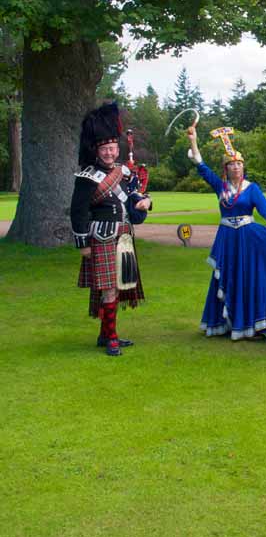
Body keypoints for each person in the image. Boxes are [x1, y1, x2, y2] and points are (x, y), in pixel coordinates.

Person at [187, 123, 266, 341]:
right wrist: (193, 140)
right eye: (231, 164)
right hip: (227, 239)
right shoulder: (221, 187)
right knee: (227, 278)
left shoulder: (251, 188)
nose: (235, 167)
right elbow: (201, 166)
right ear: (225, 168)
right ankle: (226, 322)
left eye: (238, 164)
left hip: (248, 238)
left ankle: (264, 327)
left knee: (253, 278)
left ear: (243, 167)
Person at [71, 103, 152, 356]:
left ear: (118, 148)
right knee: (109, 288)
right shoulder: (87, 176)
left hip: (124, 236)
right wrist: (83, 244)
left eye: (112, 148)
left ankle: (105, 335)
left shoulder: (124, 172)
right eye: (104, 149)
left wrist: (146, 201)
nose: (109, 153)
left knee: (117, 284)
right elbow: (78, 211)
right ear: (97, 150)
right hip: (102, 236)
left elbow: (135, 196)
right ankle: (112, 337)